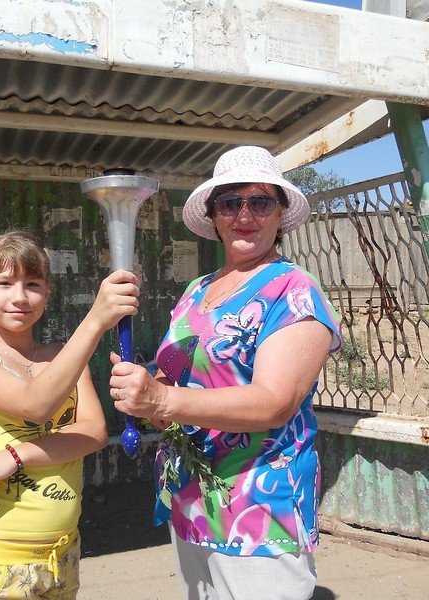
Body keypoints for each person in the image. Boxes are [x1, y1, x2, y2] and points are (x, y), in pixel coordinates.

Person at [108, 146, 342, 600]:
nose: (244, 215)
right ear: (214, 216)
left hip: (259, 508)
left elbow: (273, 402)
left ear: (281, 214)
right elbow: (179, 383)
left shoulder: (294, 291)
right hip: (193, 499)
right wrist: (146, 388)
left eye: (261, 202)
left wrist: (162, 399)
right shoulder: (197, 290)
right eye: (230, 203)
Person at [0, 229, 139, 600]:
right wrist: (95, 320)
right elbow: (34, 406)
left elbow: (93, 433)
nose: (20, 296)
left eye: (33, 284)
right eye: (5, 283)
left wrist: (13, 456)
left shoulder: (61, 357)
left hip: (63, 553)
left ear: (47, 293)